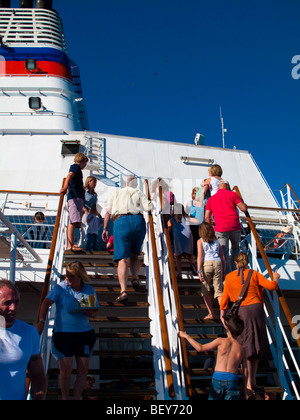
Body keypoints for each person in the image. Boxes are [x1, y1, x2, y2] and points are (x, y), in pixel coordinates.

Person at [220, 252, 280, 398]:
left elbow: (225, 299)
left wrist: (222, 314)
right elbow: (271, 286)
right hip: (256, 310)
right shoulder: (254, 274)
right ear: (247, 262)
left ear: (235, 263)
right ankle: (251, 382)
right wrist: (276, 277)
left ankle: (247, 384)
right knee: (255, 347)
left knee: (245, 348)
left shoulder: (229, 277)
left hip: (241, 313)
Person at [36, 261, 99, 400]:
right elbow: (46, 302)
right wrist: (41, 321)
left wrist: (87, 310)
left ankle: (76, 398)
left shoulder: (88, 290)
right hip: (63, 334)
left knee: (83, 369)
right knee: (66, 368)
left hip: (84, 334)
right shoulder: (61, 288)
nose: (67, 278)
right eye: (67, 275)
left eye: (71, 276)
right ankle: (65, 398)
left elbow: (94, 312)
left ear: (79, 276)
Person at [102, 175, 152, 303]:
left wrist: (105, 229)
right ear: (135, 184)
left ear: (125, 183)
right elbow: (149, 207)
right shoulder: (139, 193)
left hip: (121, 221)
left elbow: (108, 212)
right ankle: (135, 278)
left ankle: (123, 290)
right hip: (138, 221)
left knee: (123, 259)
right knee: (135, 254)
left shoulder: (116, 193)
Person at [179, 314, 245, 400]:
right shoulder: (242, 349)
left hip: (218, 379)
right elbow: (245, 369)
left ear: (227, 328)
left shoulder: (221, 341)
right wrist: (246, 385)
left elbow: (200, 348)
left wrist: (186, 336)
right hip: (232, 380)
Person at [0, 280, 47, 400]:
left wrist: (38, 395)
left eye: (16, 302)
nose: (13, 308)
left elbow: (38, 377)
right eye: (7, 303)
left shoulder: (29, 332)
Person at [205, 180, 248, 274]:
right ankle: (235, 270)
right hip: (234, 226)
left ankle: (229, 275)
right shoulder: (233, 194)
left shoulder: (211, 199)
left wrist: (212, 231)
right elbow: (243, 208)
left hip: (220, 228)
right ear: (227, 186)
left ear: (218, 187)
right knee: (236, 248)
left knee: (223, 253)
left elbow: (207, 217)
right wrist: (245, 205)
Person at [60, 153, 89, 251]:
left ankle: (71, 244)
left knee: (75, 221)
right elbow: (69, 176)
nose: (85, 165)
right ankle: (70, 245)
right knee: (72, 222)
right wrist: (64, 187)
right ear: (82, 161)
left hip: (77, 198)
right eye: (85, 163)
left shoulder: (77, 169)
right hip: (75, 198)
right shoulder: (75, 167)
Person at [197, 222, 226, 319]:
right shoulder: (217, 241)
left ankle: (211, 313)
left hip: (207, 264)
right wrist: (224, 272)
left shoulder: (200, 241)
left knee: (205, 290)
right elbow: (223, 258)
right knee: (218, 291)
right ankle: (223, 313)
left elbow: (200, 256)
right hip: (218, 263)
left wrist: (198, 270)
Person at [167, 203, 199, 279]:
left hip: (178, 237)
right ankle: (193, 267)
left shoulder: (172, 220)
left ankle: (179, 273)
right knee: (190, 255)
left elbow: (168, 227)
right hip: (188, 237)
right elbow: (197, 221)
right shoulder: (186, 218)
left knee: (178, 257)